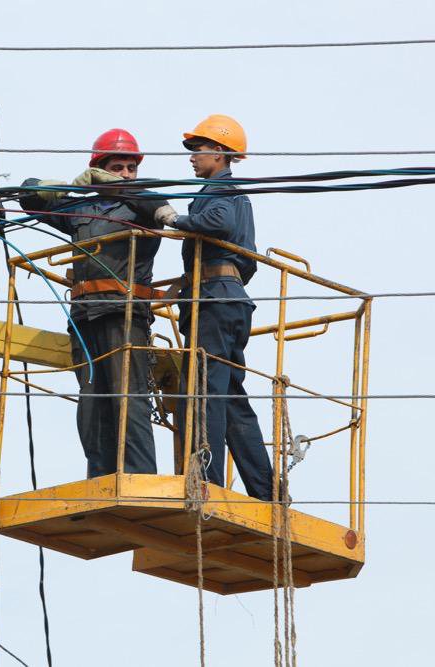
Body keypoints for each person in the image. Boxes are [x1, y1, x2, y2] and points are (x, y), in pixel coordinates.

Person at [18, 128, 167, 478]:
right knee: (91, 403)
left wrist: (119, 185)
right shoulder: (82, 209)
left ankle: (139, 477)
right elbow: (28, 194)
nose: (127, 174)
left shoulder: (139, 207)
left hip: (124, 315)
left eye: (132, 168)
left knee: (128, 399)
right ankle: (100, 476)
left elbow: (155, 202)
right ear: (99, 168)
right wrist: (74, 186)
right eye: (118, 167)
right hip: (85, 317)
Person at [151, 115, 275, 500]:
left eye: (199, 149)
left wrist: (177, 220)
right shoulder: (232, 194)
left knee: (203, 389)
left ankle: (206, 484)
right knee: (231, 397)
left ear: (220, 153)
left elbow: (215, 223)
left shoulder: (222, 191)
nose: (192, 157)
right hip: (227, 300)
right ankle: (266, 491)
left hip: (216, 303)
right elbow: (242, 261)